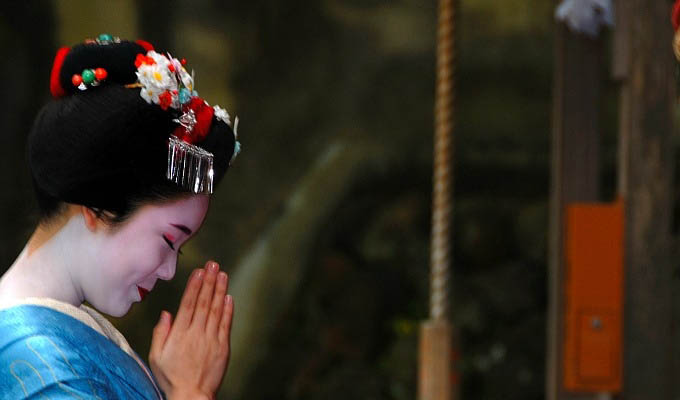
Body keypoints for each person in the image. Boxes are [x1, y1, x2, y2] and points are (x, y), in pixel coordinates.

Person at [0, 34, 241, 399]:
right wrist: (191, 390)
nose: (169, 270)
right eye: (168, 240)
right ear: (101, 206)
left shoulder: (50, 341)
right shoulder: (39, 371)